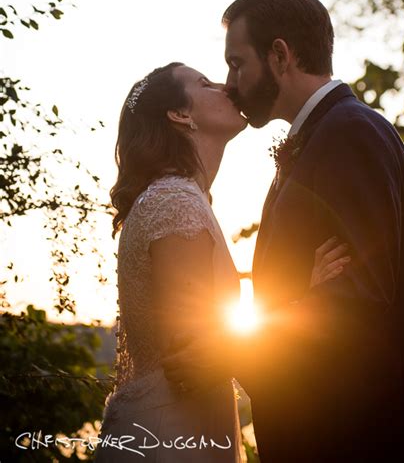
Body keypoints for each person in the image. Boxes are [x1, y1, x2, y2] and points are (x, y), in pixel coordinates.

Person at [163, 0, 404, 462]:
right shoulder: (319, 139)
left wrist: (227, 352)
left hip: (358, 441)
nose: (230, 84)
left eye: (237, 64)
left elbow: (354, 303)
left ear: (280, 55)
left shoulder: (350, 133)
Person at [95, 61, 347, 462]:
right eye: (205, 83)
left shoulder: (181, 199)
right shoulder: (174, 203)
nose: (226, 87)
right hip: (170, 437)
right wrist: (306, 299)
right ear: (180, 115)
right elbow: (192, 357)